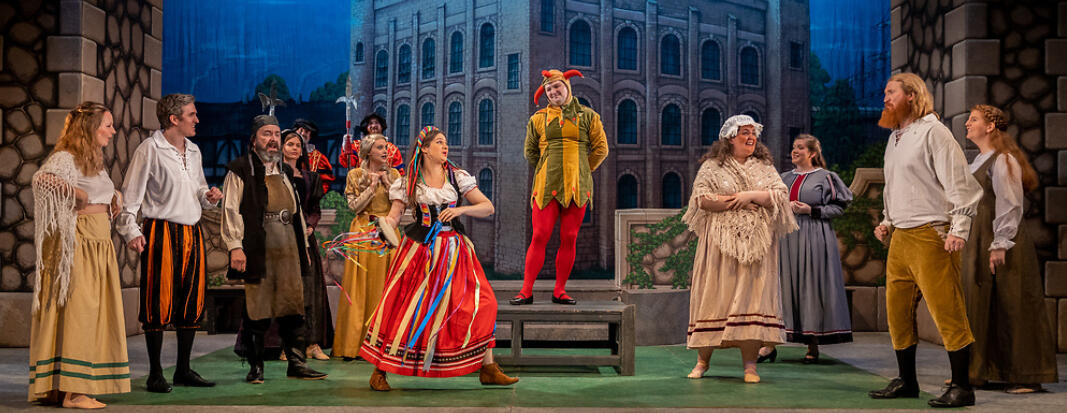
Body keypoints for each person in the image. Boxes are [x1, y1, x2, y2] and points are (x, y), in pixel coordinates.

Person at [359, 126, 518, 391]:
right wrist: (382, 228)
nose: (445, 147)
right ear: (424, 149)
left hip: (455, 252)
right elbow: (394, 217)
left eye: (445, 143)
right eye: (439, 143)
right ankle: (380, 370)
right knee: (405, 308)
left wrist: (460, 211)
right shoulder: (409, 181)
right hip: (420, 252)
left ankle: (488, 367)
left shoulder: (456, 176)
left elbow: (487, 207)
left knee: (484, 302)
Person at [868, 73, 983, 408]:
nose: (885, 98)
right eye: (885, 92)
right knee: (897, 312)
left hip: (932, 233)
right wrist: (887, 221)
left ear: (912, 95)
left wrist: (959, 229)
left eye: (891, 92)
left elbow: (960, 183)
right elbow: (895, 185)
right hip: (901, 236)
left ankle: (962, 386)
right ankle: (907, 380)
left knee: (947, 309)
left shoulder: (934, 132)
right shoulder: (896, 137)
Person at [681, 114, 797, 384]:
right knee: (714, 296)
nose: (751, 137)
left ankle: (750, 366)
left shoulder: (764, 166)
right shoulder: (713, 166)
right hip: (719, 244)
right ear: (730, 137)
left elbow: (780, 195)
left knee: (752, 300)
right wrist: (738, 201)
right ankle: (702, 361)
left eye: (753, 133)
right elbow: (701, 199)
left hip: (757, 244)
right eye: (745, 132)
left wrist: (751, 195)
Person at [118, 93, 221, 393]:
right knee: (158, 301)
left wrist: (209, 197)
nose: (197, 119)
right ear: (174, 119)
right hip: (161, 231)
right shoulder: (150, 149)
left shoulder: (194, 151)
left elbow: (199, 191)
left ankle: (183, 370)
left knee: (191, 300)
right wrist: (131, 231)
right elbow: (131, 197)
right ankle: (154, 374)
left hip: (192, 233)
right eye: (191, 114)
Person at [29, 102, 130, 408]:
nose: (113, 131)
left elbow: (97, 190)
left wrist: (114, 196)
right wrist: (75, 193)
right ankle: (74, 393)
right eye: (108, 125)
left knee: (92, 313)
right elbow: (41, 179)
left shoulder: (91, 160)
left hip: (98, 243)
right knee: (80, 312)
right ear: (90, 127)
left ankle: (62, 388)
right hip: (79, 242)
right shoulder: (65, 157)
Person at [221, 114, 327, 383]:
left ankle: (297, 363)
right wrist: (235, 247)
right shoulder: (240, 169)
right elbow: (231, 209)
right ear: (254, 139)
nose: (273, 139)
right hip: (260, 245)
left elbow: (297, 213)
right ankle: (256, 366)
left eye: (277, 134)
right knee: (259, 305)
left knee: (293, 304)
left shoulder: (285, 172)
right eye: (266, 134)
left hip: (288, 245)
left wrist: (303, 247)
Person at [959, 104, 1058, 393]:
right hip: (978, 241)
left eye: (974, 119)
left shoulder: (1003, 160)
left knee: (1013, 304)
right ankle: (976, 371)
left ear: (990, 126)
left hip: (1002, 242)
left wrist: (1000, 244)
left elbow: (1010, 203)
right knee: (979, 304)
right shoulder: (978, 161)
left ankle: (1026, 375)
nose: (967, 123)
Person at [511, 69, 608, 306]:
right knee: (539, 235)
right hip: (546, 185)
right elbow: (530, 152)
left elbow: (601, 149)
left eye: (557, 86)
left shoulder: (589, 116)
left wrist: (582, 170)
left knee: (570, 237)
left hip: (577, 186)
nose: (554, 91)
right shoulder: (537, 119)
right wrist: (547, 168)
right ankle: (526, 291)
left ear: (567, 86)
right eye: (549, 89)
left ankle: (560, 290)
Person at [758, 134, 853, 364]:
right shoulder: (783, 178)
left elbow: (839, 207)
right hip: (786, 238)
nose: (795, 151)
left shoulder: (825, 177)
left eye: (800, 147)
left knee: (810, 285)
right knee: (781, 287)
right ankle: (770, 345)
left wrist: (811, 210)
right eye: (793, 147)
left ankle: (812, 345)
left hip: (814, 236)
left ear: (812, 153)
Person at [332, 133, 400, 360]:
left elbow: (402, 204)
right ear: (369, 151)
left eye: (386, 147)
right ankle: (355, 344)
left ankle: (382, 345)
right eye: (380, 147)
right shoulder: (356, 175)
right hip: (363, 231)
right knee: (359, 287)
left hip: (387, 232)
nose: (385, 151)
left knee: (384, 286)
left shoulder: (394, 175)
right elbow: (354, 207)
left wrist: (387, 183)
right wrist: (371, 187)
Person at [281, 129, 334, 361]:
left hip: (306, 237)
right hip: (283, 237)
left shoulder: (310, 177)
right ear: (281, 147)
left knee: (311, 288)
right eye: (290, 144)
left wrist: (310, 225)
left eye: (298, 145)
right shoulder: (274, 175)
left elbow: (314, 209)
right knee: (287, 290)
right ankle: (287, 345)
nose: (295, 148)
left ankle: (312, 343)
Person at [338, 113, 404, 174]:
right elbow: (347, 163)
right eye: (370, 123)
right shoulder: (357, 146)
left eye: (376, 123)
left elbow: (398, 174)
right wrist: (346, 148)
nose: (374, 125)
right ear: (366, 127)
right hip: (362, 181)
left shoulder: (392, 149)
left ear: (382, 126)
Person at [292, 119, 335, 194]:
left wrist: (314, 196)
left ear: (310, 136)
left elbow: (325, 183)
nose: (303, 133)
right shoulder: (284, 153)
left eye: (306, 131)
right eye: (301, 130)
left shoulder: (320, 159)